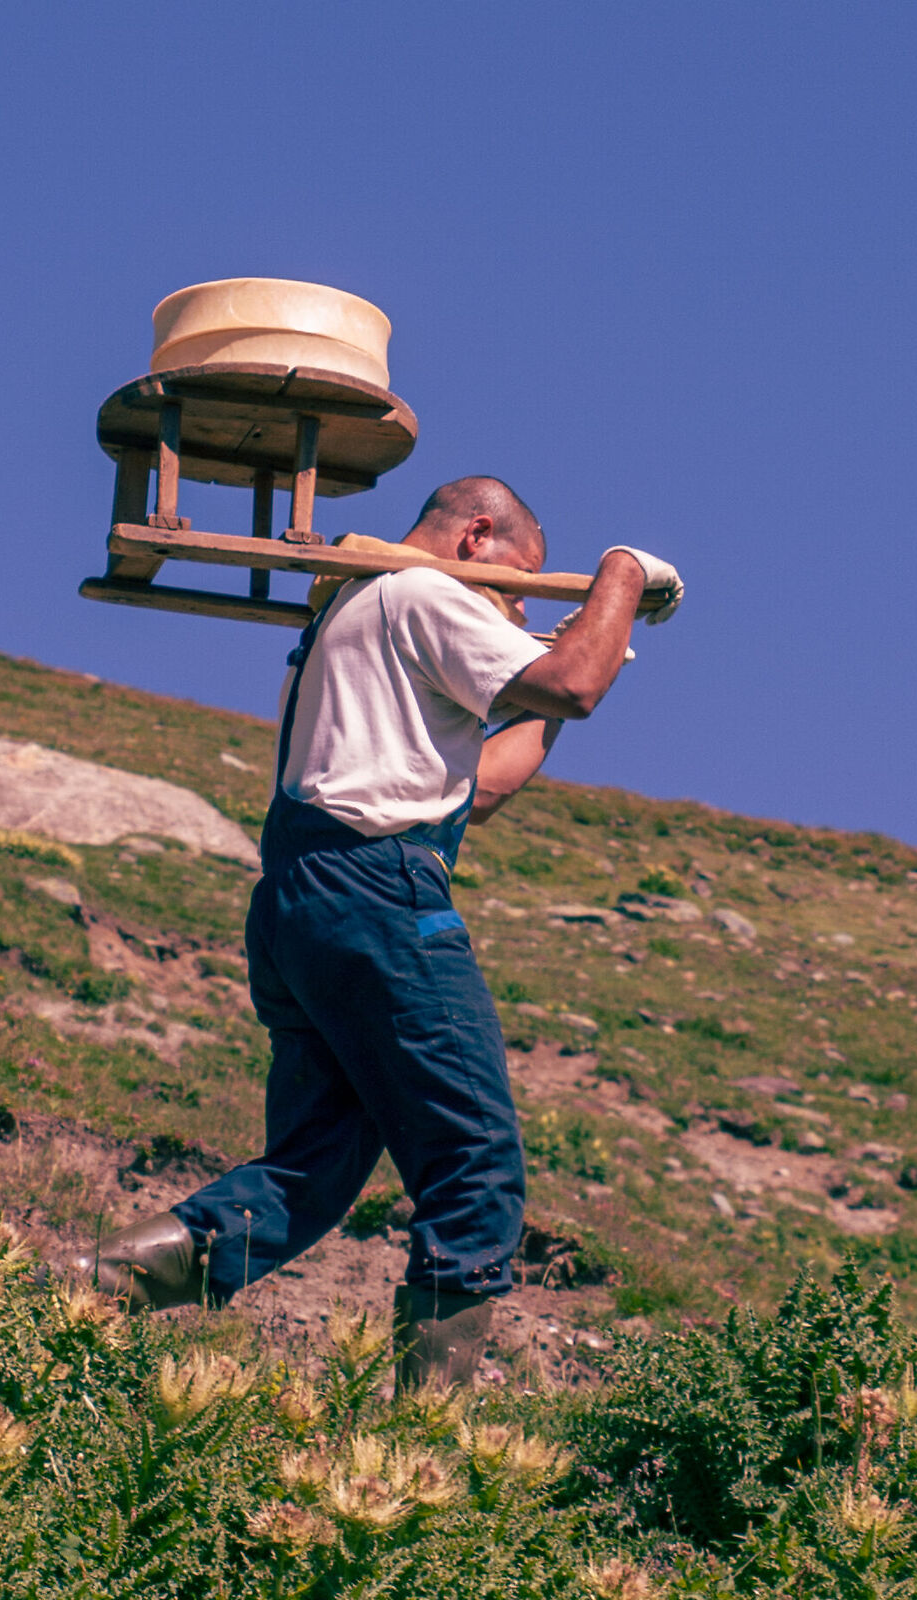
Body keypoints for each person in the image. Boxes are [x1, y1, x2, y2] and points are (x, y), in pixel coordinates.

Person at [81, 476, 681, 1391]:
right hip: (379, 892)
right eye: (517, 584)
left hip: (302, 901)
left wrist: (578, 663)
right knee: (474, 1168)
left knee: (311, 1174)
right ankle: (416, 1457)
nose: (517, 607)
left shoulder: (353, 610)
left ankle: (80, 1291)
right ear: (476, 535)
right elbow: (574, 686)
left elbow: (482, 786)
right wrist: (623, 575)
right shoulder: (428, 591)